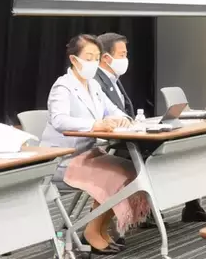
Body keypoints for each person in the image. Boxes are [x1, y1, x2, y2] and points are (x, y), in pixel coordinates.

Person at [95, 32, 206, 224]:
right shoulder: (96, 82)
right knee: (161, 155)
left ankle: (192, 207)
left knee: (184, 151)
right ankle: (145, 210)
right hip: (112, 143)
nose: (126, 59)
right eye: (122, 54)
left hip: (128, 135)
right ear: (106, 58)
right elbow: (103, 117)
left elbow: (123, 113)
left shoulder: (113, 78)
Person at [40, 34, 149, 255]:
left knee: (131, 171)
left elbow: (112, 110)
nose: (93, 62)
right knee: (113, 176)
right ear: (74, 59)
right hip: (63, 159)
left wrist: (122, 119)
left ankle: (100, 228)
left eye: (96, 58)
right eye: (88, 57)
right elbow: (59, 120)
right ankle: (91, 231)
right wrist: (95, 124)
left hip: (89, 154)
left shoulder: (94, 85)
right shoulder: (62, 87)